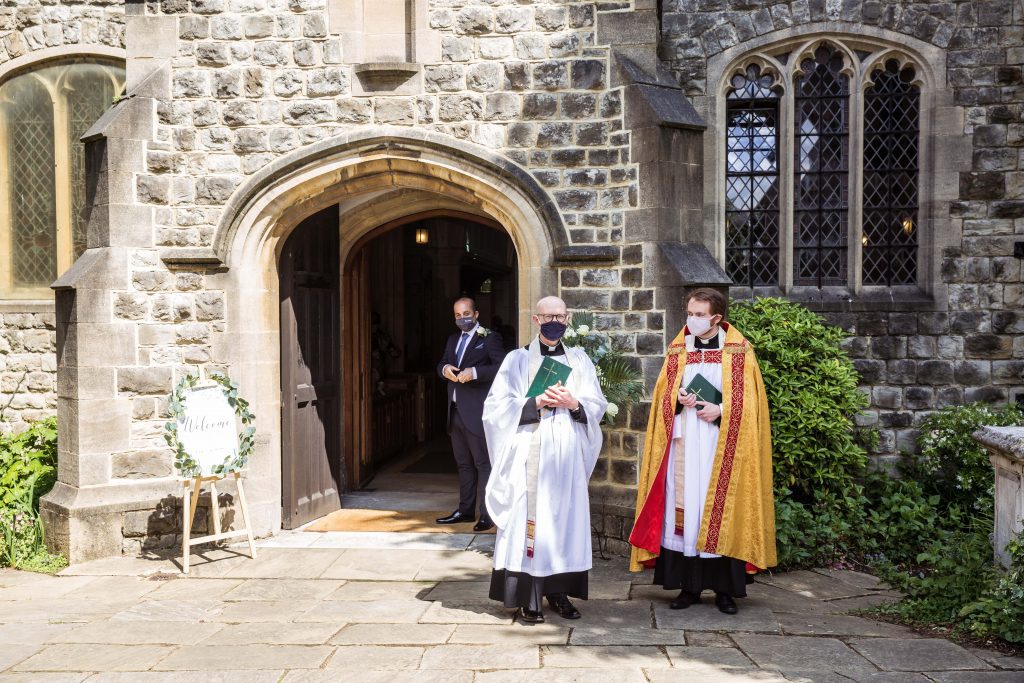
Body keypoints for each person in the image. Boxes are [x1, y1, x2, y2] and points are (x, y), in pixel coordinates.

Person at [629, 287, 776, 615]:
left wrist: (721, 411)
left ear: (717, 318)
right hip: (685, 443)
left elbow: (751, 405)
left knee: (719, 511)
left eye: (699, 315)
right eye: (690, 314)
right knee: (687, 511)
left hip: (721, 447)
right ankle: (688, 587)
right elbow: (662, 399)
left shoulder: (739, 352)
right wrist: (678, 402)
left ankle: (725, 590)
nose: (692, 320)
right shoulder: (678, 350)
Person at [483, 296, 608, 624]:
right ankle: (529, 597)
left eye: (560, 315)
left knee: (562, 523)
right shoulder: (517, 360)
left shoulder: (579, 360)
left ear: (567, 319)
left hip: (566, 453)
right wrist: (534, 401)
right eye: (547, 316)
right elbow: (495, 408)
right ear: (536, 320)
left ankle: (558, 592)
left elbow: (596, 402)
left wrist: (573, 402)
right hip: (529, 451)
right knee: (530, 522)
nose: (555, 320)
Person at [436, 297, 507, 531]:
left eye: (466, 313)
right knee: (464, 464)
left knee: (483, 464)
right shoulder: (452, 339)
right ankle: (465, 511)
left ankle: (487, 514)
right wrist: (445, 369)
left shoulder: (489, 338)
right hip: (455, 411)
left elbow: (502, 368)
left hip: (477, 411)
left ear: (475, 314)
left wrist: (475, 372)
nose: (462, 318)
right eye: (457, 315)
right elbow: (442, 363)